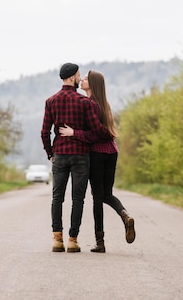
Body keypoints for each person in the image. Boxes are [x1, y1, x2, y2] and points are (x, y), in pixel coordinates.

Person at [59, 70, 135, 253]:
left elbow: (96, 133)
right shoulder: (105, 104)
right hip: (112, 151)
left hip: (97, 153)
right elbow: (106, 132)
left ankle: (100, 243)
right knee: (106, 194)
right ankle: (125, 215)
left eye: (85, 79)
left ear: (91, 84)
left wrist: (73, 133)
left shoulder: (90, 104)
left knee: (97, 199)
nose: (82, 80)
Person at [41, 62, 112, 253]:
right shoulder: (85, 103)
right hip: (81, 156)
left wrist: (50, 154)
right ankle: (72, 240)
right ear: (72, 77)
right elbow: (96, 131)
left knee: (57, 197)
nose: (80, 79)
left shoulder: (51, 101)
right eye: (79, 75)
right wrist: (109, 132)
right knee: (77, 199)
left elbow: (45, 132)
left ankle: (57, 240)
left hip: (60, 155)